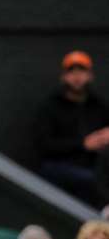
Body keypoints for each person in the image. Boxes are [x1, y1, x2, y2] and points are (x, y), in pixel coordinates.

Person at [35, 50, 109, 207]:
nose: (77, 77)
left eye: (81, 72)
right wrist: (83, 145)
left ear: (90, 75)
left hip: (95, 165)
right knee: (91, 181)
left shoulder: (98, 105)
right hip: (59, 165)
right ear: (64, 76)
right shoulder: (51, 106)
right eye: (72, 72)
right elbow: (45, 145)